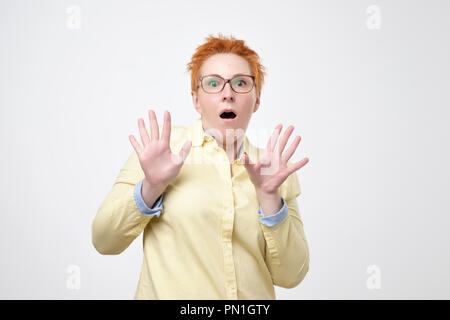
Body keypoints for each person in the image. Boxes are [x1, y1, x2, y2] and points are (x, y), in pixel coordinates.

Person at [92, 34, 310, 300]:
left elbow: (291, 276)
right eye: (213, 84)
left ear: (257, 99)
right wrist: (152, 186)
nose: (227, 94)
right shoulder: (160, 148)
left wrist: (269, 199)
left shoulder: (274, 168)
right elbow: (104, 241)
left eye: (241, 83)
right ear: (196, 100)